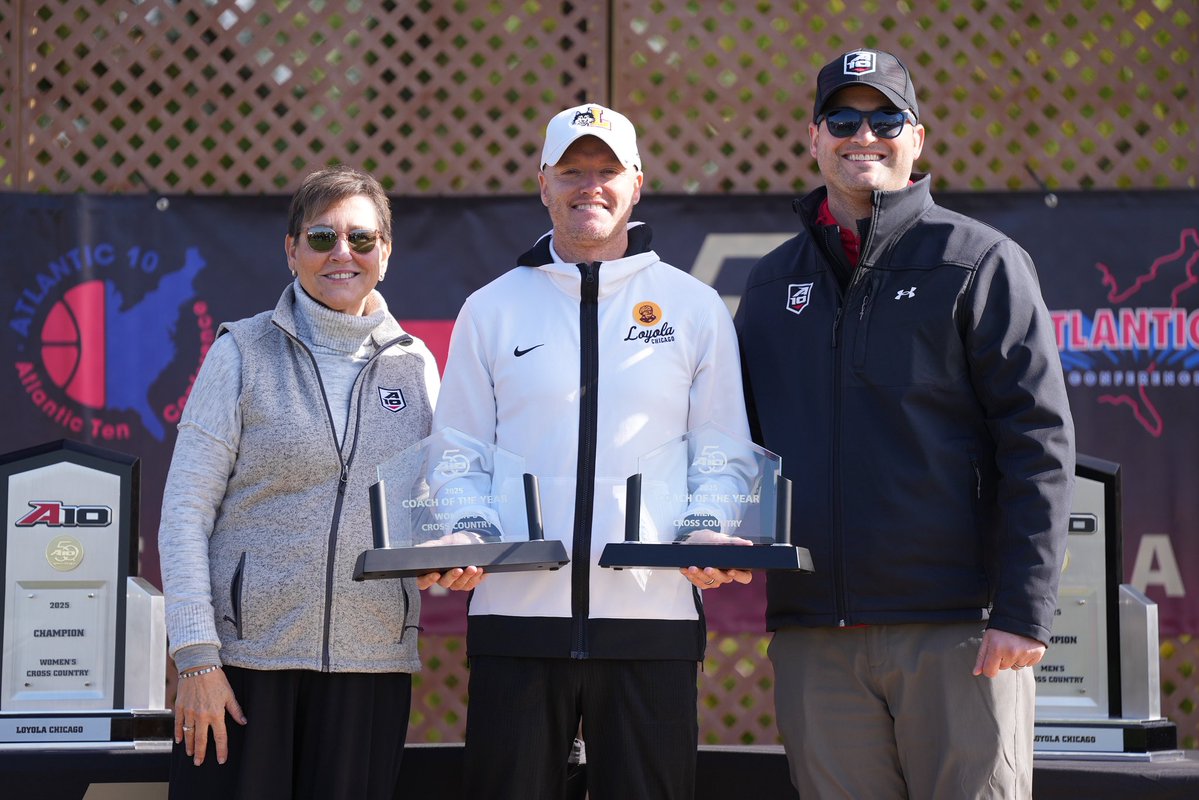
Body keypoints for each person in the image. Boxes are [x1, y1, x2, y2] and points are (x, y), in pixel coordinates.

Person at [735, 49, 1076, 798]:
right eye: (844, 118)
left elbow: (1039, 447)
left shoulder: (979, 260)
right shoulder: (768, 284)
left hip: (957, 629)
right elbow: (737, 452)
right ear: (814, 138)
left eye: (886, 117)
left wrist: (1022, 612)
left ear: (916, 138)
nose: (866, 134)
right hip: (813, 635)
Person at [429, 102, 752, 799]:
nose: (590, 186)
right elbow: (456, 451)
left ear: (636, 183)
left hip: (651, 623)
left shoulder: (692, 307)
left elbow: (722, 452)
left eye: (606, 170)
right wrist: (469, 528)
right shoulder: (491, 307)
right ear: (543, 183)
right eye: (572, 170)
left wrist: (705, 528)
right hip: (515, 623)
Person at [158, 165, 441, 799]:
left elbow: (428, 507)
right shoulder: (240, 352)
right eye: (322, 238)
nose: (343, 254)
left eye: (362, 239)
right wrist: (197, 656)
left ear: (385, 253)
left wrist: (453, 553)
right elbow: (183, 514)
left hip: (371, 666)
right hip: (241, 669)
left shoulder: (417, 365)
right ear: (291, 251)